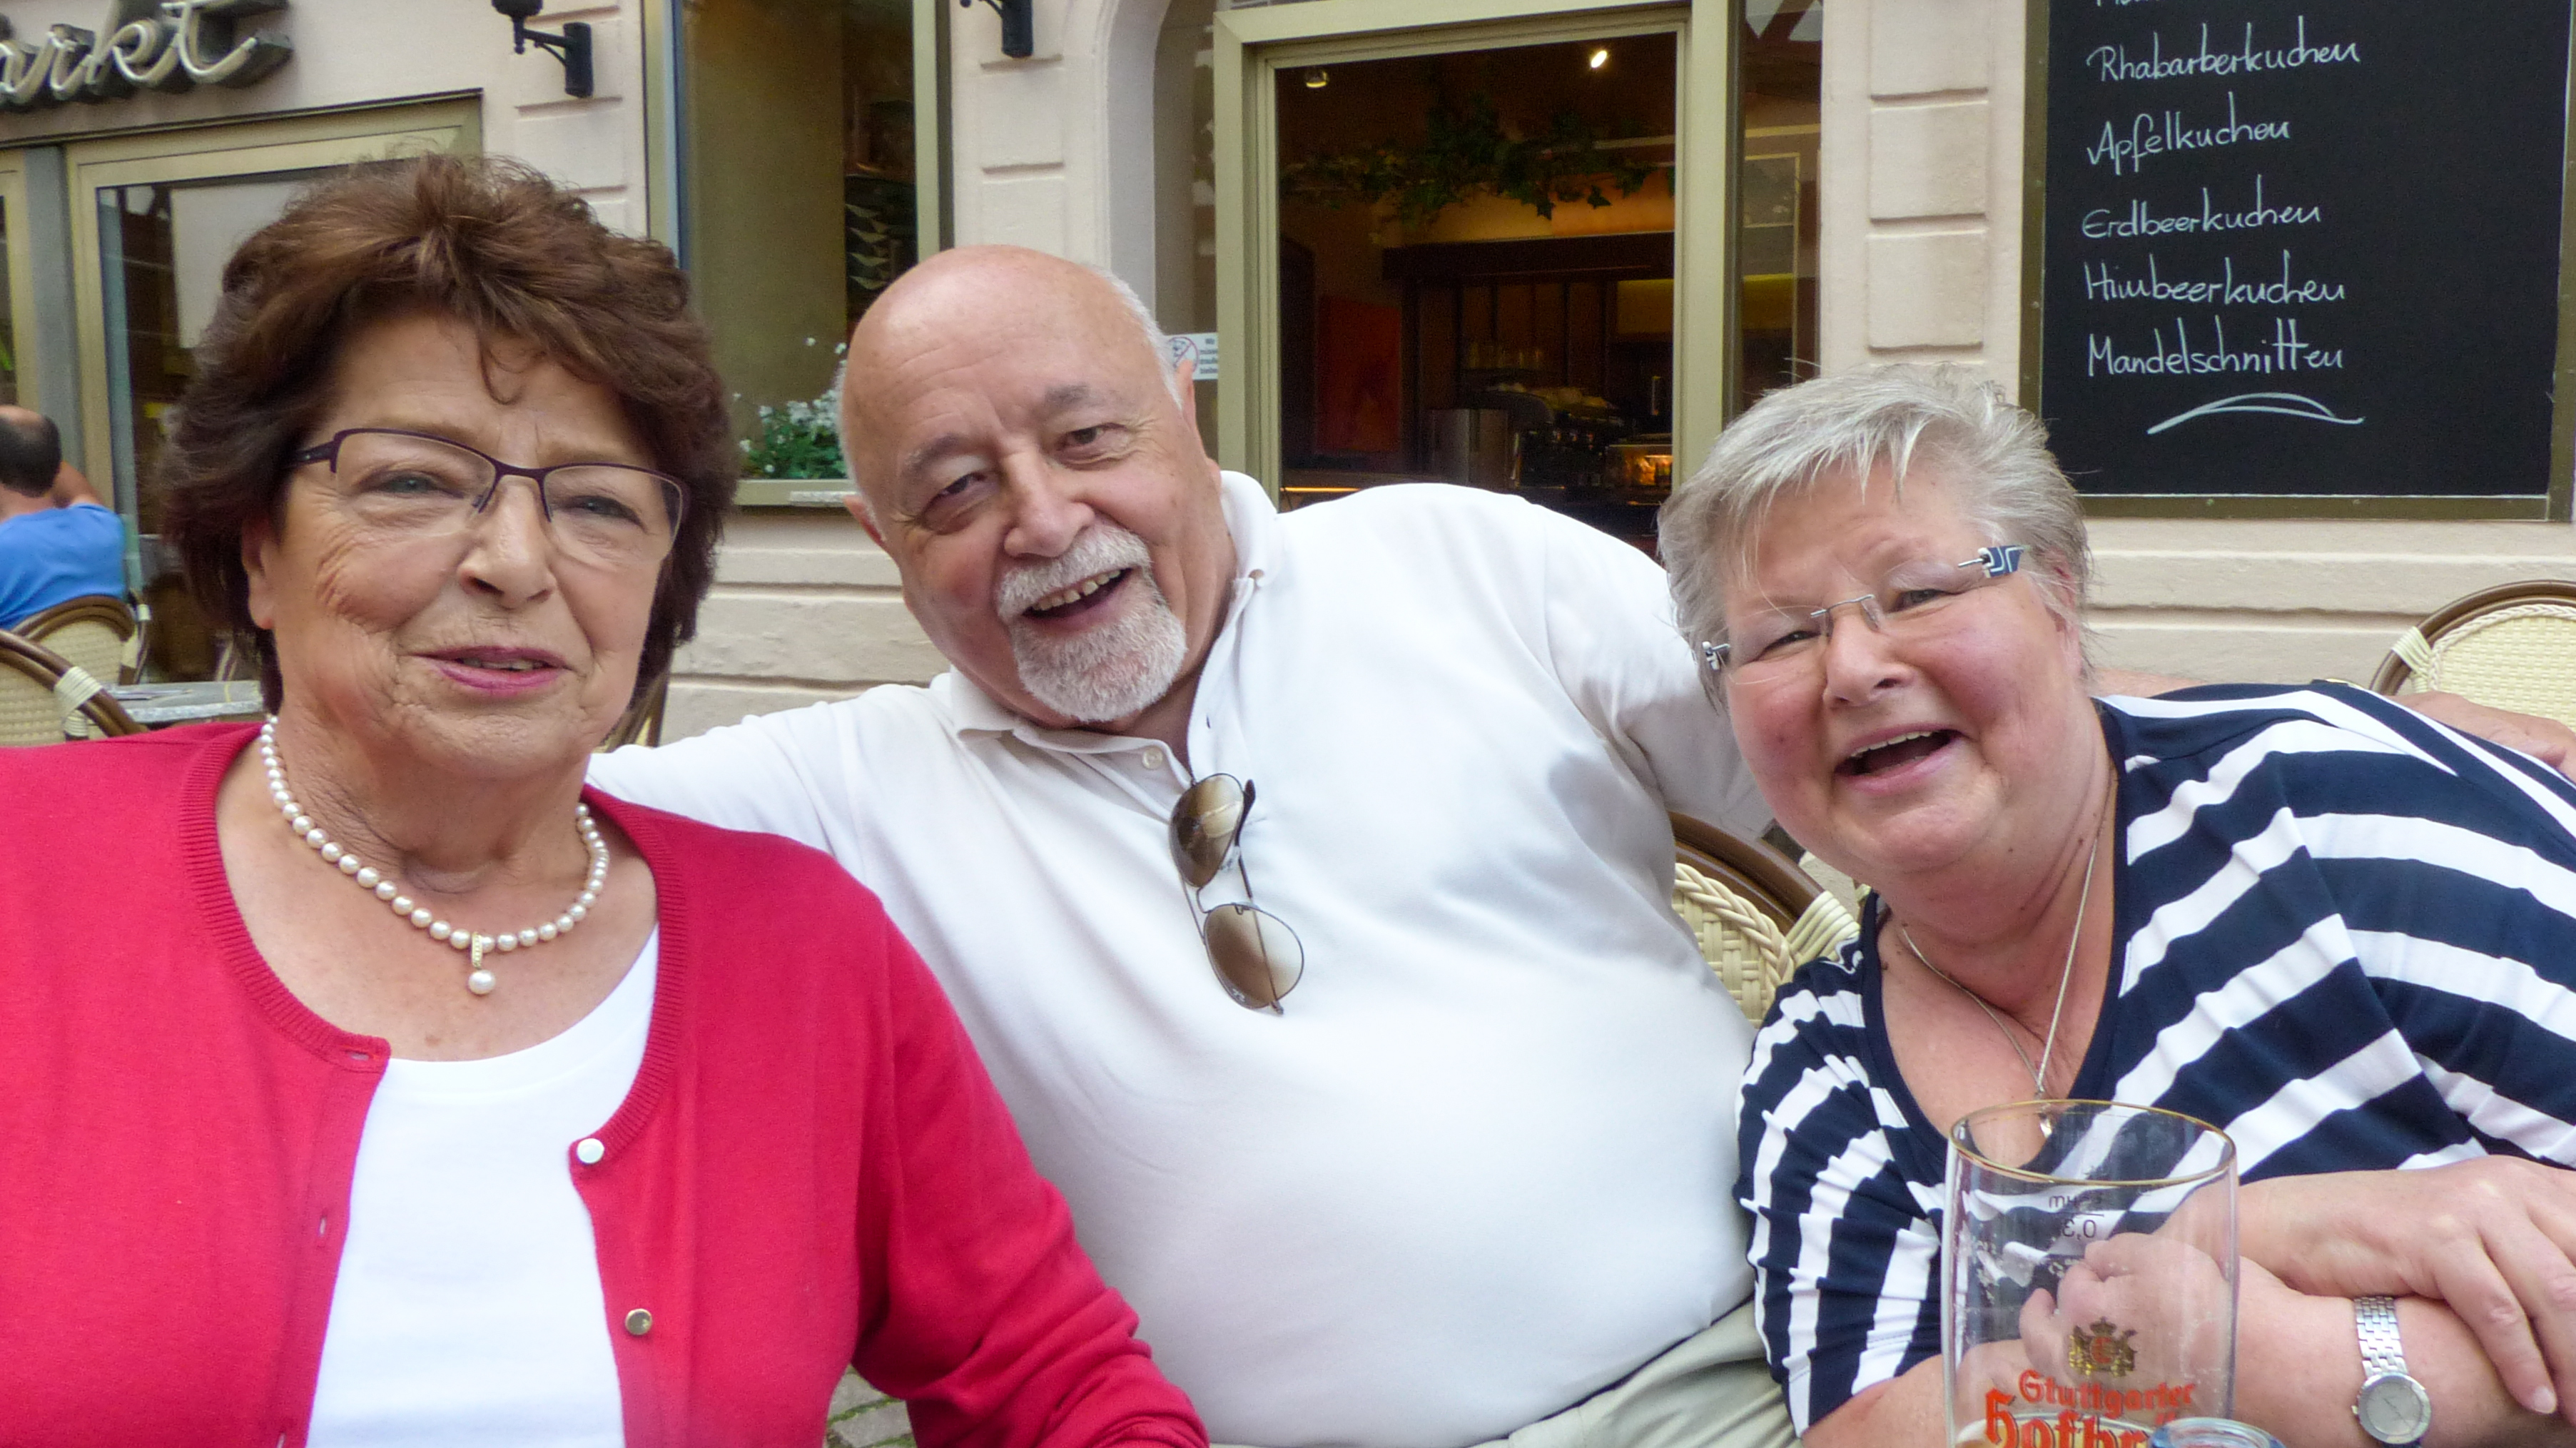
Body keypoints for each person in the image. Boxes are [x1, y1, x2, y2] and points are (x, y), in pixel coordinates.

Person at [0, 158, 1204, 1448]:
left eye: (594, 503)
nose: (517, 562)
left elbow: (1056, 1381)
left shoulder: (803, 951)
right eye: (413, 480)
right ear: (256, 544)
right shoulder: (31, 869)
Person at [591, 245, 1794, 1448]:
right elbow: (501, 820)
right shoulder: (840, 796)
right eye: (956, 491)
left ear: (1183, 410)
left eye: (1086, 438)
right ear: (881, 538)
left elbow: (1836, 752)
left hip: (1752, 1374)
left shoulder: (1460, 564)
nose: (1043, 520)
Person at [1678, 365, 2576, 1448]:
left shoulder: (2334, 814)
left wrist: (2299, 1360)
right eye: (1782, 637)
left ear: (2059, 604)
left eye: (1916, 593)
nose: (1853, 668)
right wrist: (2247, 1250)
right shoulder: (1822, 1067)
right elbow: (1864, 1430)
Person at [0, 404, 124, 629]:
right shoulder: (105, 527)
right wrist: (41, 451)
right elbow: (80, 490)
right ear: (57, 466)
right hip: (100, 653)